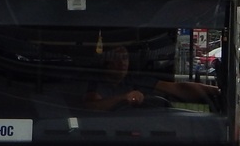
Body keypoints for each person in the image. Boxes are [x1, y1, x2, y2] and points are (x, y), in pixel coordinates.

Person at [83, 44, 218, 111]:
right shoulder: (95, 82)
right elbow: (92, 107)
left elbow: (178, 89)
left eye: (125, 58)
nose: (122, 63)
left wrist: (216, 91)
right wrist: (124, 98)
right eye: (117, 59)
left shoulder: (134, 79)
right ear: (106, 63)